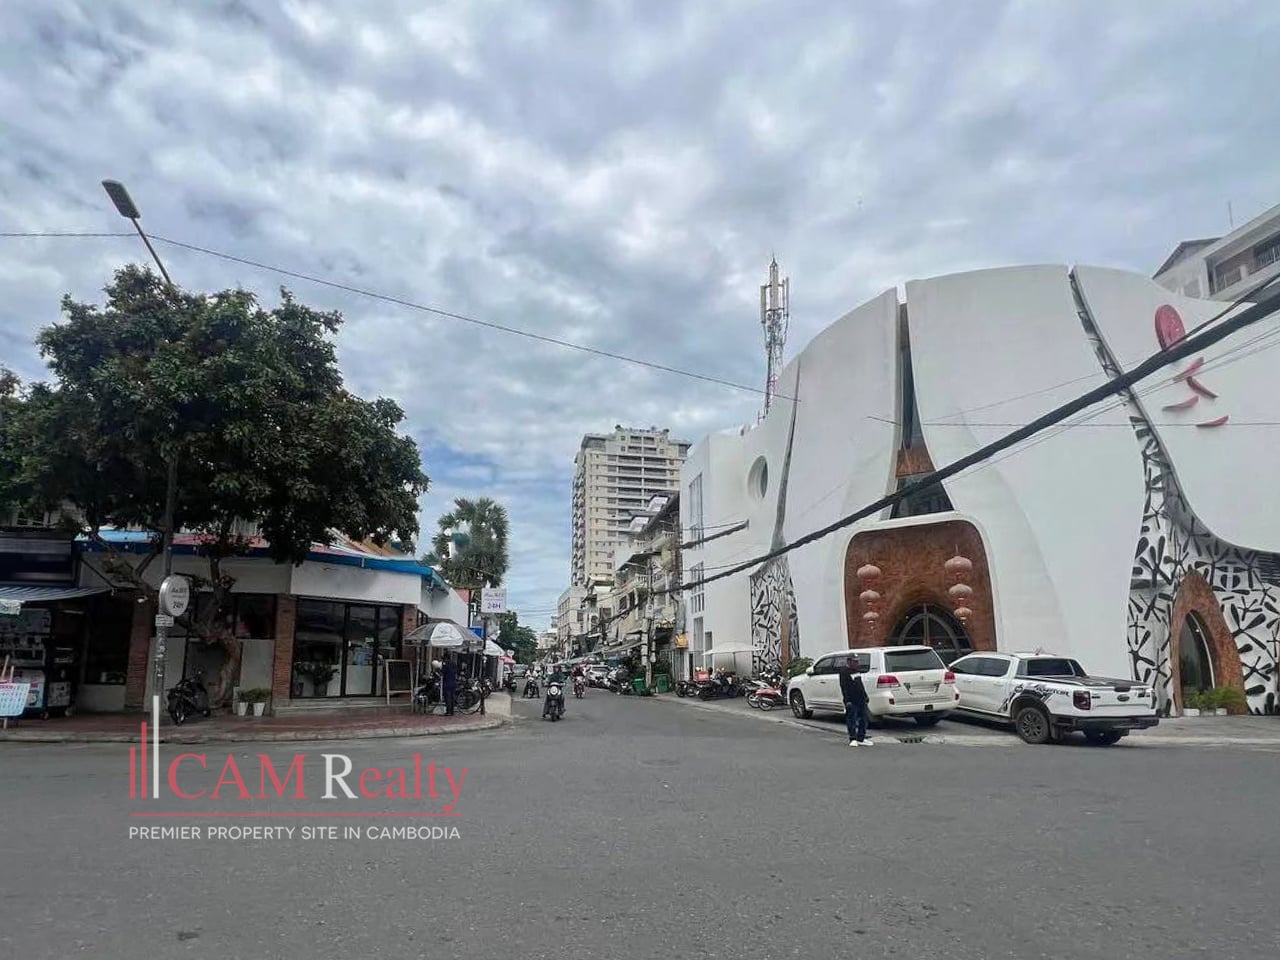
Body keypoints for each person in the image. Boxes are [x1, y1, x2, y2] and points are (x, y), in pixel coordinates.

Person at [838, 656, 872, 747]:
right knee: (852, 719)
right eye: (855, 661)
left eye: (857, 662)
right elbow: (844, 687)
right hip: (851, 700)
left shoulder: (857, 672)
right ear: (849, 662)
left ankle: (861, 738)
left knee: (864, 719)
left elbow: (860, 685)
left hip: (861, 699)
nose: (857, 663)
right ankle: (853, 738)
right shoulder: (844, 672)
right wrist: (847, 700)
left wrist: (865, 695)